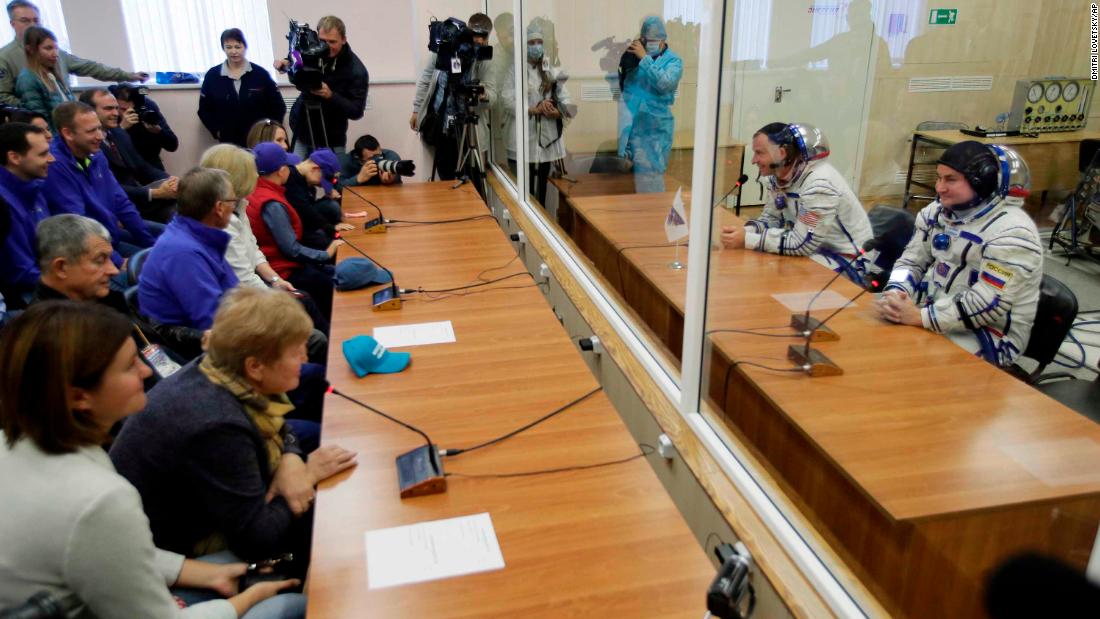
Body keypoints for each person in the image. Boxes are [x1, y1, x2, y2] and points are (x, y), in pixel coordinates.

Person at [0, 301, 305, 618]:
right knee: (292, 606)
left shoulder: (24, 446)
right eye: (130, 366)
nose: (147, 371)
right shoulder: (100, 498)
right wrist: (244, 602)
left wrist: (200, 572)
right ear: (79, 396)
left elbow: (104, 551)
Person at [110, 288, 357, 574]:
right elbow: (257, 539)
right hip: (178, 548)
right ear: (255, 366)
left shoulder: (220, 367)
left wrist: (290, 459)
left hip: (208, 504)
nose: (304, 357)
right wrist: (309, 473)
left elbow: (275, 419)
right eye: (295, 350)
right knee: (332, 517)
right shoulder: (217, 425)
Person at [874, 141, 1043, 367]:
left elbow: (987, 304)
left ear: (981, 183)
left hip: (989, 336)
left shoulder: (1013, 234)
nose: (939, 188)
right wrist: (896, 292)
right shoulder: (936, 213)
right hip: (934, 310)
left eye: (950, 179)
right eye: (939, 177)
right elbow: (910, 261)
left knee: (911, 363)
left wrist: (921, 318)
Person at [720, 122, 873, 281]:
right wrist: (746, 231)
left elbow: (803, 243)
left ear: (781, 153)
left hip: (848, 260)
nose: (753, 160)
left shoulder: (819, 187)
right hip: (816, 250)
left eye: (759, 153)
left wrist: (747, 239)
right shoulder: (778, 178)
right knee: (767, 266)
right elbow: (772, 220)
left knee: (782, 276)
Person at [44, 101, 157, 263]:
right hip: (85, 252)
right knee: (149, 270)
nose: (100, 136)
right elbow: (78, 225)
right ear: (68, 133)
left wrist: (151, 244)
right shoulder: (55, 166)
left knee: (162, 252)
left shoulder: (95, 154)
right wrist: (117, 261)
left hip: (110, 238)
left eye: (99, 128)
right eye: (91, 131)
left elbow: (121, 203)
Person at [245, 142, 342, 320]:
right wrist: (326, 254)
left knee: (329, 275)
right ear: (281, 171)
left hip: (277, 264)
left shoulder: (258, 190)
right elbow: (291, 248)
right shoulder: (272, 204)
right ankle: (331, 334)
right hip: (282, 270)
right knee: (326, 284)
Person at [138, 167, 239, 331]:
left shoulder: (197, 235)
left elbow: (233, 291)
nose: (234, 207)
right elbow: (213, 321)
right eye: (233, 201)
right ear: (219, 208)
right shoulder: (183, 252)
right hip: (198, 343)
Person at [0, 0, 147, 106]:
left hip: (67, 119)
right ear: (13, 24)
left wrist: (128, 75)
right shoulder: (5, 57)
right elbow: (3, 96)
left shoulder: (56, 53)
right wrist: (30, 107)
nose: (33, 25)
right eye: (25, 20)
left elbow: (91, 67)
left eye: (36, 20)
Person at [410, 12, 493, 181]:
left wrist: (483, 94)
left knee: (473, 177)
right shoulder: (446, 47)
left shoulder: (484, 57)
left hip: (470, 125)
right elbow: (426, 79)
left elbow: (493, 93)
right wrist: (416, 110)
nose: (480, 41)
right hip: (443, 121)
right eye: (477, 36)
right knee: (446, 176)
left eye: (484, 37)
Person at [274, 15, 368, 157]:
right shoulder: (312, 50)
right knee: (297, 174)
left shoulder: (356, 71)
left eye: (332, 42)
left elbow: (356, 111)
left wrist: (331, 95)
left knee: (333, 177)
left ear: (343, 40)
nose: (326, 46)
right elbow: (297, 71)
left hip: (332, 137)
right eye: (322, 41)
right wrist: (288, 64)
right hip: (303, 129)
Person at [80, 88, 177, 223]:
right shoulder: (86, 144)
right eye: (108, 109)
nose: (116, 113)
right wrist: (155, 193)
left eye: (116, 108)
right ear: (89, 112)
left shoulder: (118, 133)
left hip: (138, 198)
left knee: (192, 203)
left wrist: (173, 181)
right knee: (179, 216)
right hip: (118, 208)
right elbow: (108, 187)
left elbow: (142, 167)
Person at [617, 16, 683, 193]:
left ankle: (655, 217)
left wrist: (645, 59)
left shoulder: (674, 62)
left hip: (656, 131)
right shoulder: (635, 60)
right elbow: (627, 98)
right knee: (630, 187)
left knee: (652, 180)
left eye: (653, 40)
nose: (649, 44)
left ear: (663, 40)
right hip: (634, 130)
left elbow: (665, 84)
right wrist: (625, 146)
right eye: (646, 40)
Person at [199, 28, 286, 148]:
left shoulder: (260, 74)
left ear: (245, 47)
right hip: (228, 142)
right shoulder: (212, 75)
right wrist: (217, 131)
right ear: (223, 48)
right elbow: (204, 110)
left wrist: (269, 132)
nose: (233, 51)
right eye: (228, 47)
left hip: (260, 141)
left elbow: (278, 107)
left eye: (237, 47)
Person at [519, 18, 572, 206]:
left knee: (542, 182)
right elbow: (511, 102)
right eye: (531, 42)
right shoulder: (518, 71)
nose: (536, 46)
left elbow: (569, 105)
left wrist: (557, 111)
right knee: (526, 186)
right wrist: (535, 109)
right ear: (524, 45)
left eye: (539, 42)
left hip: (548, 137)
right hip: (527, 136)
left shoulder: (553, 70)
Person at [0, 121, 50, 308]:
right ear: (14, 157)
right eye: (43, 154)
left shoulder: (33, 185)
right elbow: (20, 272)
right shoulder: (3, 204)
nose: (52, 159)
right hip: (26, 293)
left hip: (50, 275)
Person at [285, 148, 351, 249]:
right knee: (326, 241)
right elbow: (306, 211)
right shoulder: (291, 181)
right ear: (315, 168)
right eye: (321, 180)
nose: (320, 185)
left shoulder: (304, 179)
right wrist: (331, 228)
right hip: (295, 229)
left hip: (304, 222)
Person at [13, 26, 72, 129]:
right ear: (30, 49)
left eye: (56, 48)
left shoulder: (52, 73)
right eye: (48, 48)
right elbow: (41, 120)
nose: (55, 54)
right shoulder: (28, 79)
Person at [112, 82, 179, 172]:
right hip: (123, 165)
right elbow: (108, 149)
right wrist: (121, 128)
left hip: (149, 160)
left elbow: (173, 145)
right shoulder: (111, 112)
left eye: (133, 108)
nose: (129, 113)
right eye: (123, 109)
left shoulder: (147, 108)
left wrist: (159, 132)